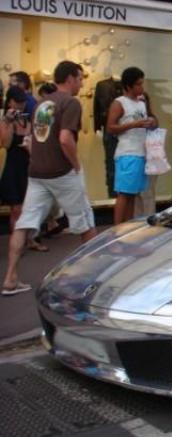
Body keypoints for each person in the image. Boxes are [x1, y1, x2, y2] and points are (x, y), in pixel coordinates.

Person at [2, 61, 97, 296]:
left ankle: (10, 278)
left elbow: (37, 138)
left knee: (24, 223)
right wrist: (76, 165)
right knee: (85, 222)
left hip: (37, 173)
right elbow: (65, 138)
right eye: (80, 78)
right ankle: (93, 277)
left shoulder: (42, 103)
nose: (82, 83)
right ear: (70, 79)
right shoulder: (71, 103)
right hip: (62, 172)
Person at [107, 67, 157, 224]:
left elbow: (152, 121)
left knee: (134, 193)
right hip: (127, 153)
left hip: (141, 152)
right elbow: (110, 127)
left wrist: (152, 122)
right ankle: (117, 229)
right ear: (128, 86)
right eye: (138, 84)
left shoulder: (141, 103)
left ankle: (128, 226)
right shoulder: (119, 103)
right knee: (124, 193)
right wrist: (133, 124)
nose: (141, 88)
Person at [0, 87, 48, 252]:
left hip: (27, 166)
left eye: (22, 102)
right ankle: (17, 245)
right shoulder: (5, 120)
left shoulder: (27, 120)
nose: (20, 106)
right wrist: (7, 122)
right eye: (17, 102)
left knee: (30, 207)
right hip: (13, 168)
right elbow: (5, 144)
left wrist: (29, 144)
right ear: (10, 102)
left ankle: (30, 240)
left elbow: (34, 143)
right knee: (16, 209)